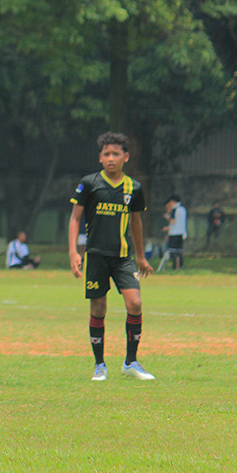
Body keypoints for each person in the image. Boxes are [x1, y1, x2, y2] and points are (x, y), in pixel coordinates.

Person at [68, 132, 155, 382]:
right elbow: (75, 218)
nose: (110, 158)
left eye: (116, 154)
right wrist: (74, 251)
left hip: (123, 258)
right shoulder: (89, 183)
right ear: (100, 158)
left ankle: (131, 362)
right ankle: (99, 365)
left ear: (126, 157)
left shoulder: (133, 188)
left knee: (135, 304)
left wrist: (140, 256)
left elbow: (136, 222)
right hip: (96, 256)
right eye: (106, 154)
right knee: (98, 308)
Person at [162, 194, 187, 270]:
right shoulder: (183, 209)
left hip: (174, 234)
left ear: (173, 202)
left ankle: (175, 267)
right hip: (182, 233)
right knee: (180, 251)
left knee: (173, 251)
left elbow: (173, 221)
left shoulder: (174, 209)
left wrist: (167, 217)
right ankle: (180, 266)